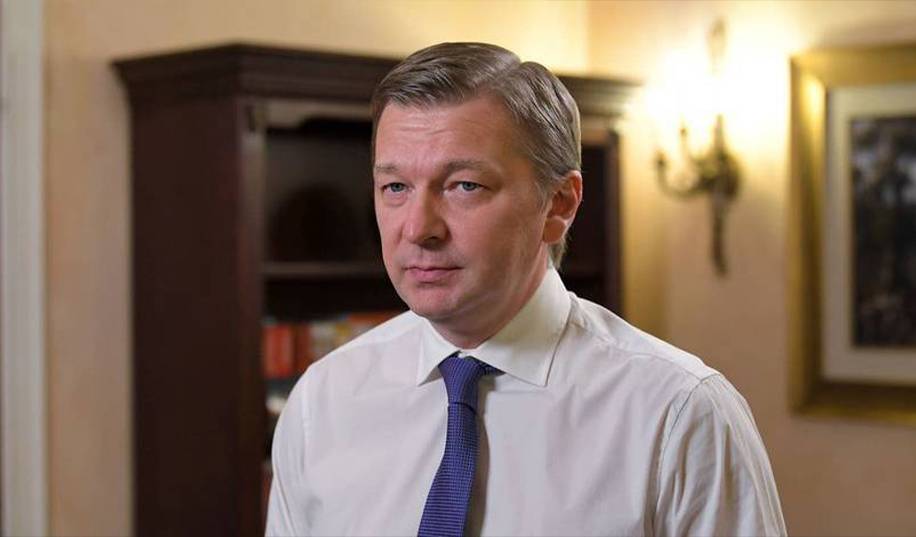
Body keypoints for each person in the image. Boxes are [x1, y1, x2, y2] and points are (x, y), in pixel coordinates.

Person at [267, 42, 786, 537]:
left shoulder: (678, 413)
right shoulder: (322, 401)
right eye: (395, 187)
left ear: (559, 204)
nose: (419, 228)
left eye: (464, 186)